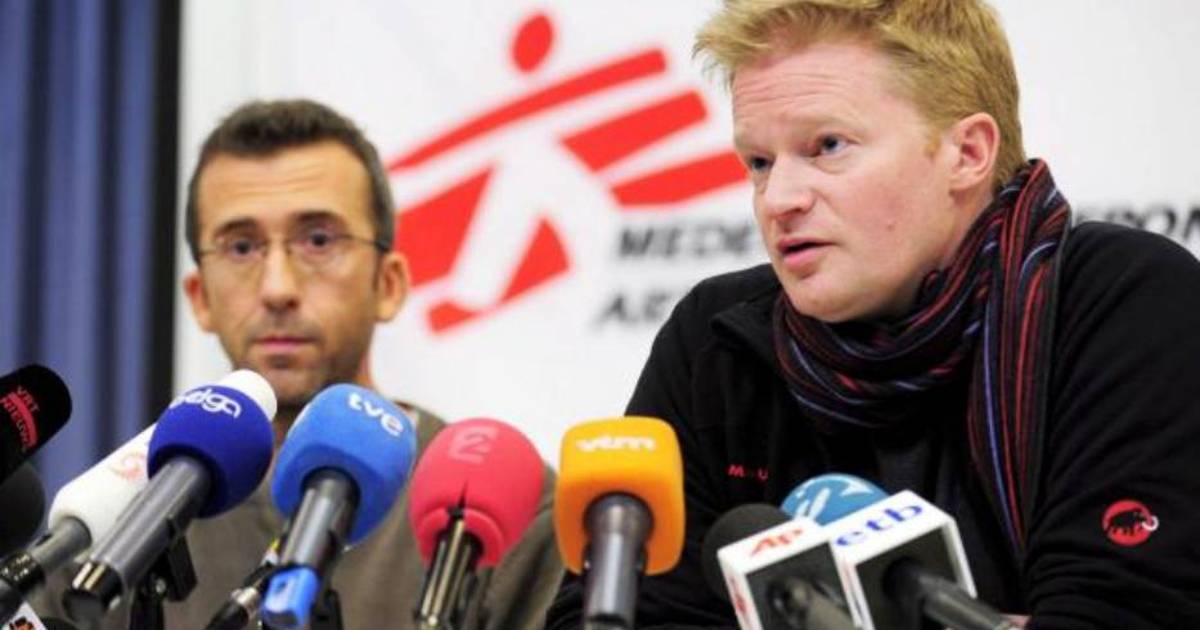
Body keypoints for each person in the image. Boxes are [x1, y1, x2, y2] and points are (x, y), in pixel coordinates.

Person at [544, 0, 1200, 627]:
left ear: (967, 153)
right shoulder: (718, 340)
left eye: (828, 145)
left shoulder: (1121, 303)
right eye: (759, 162)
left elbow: (1120, 613)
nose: (779, 198)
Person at [38, 99, 564, 629]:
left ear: (388, 284)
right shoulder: (125, 518)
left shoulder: (502, 512)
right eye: (241, 247)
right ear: (200, 298)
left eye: (318, 241)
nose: (277, 288)